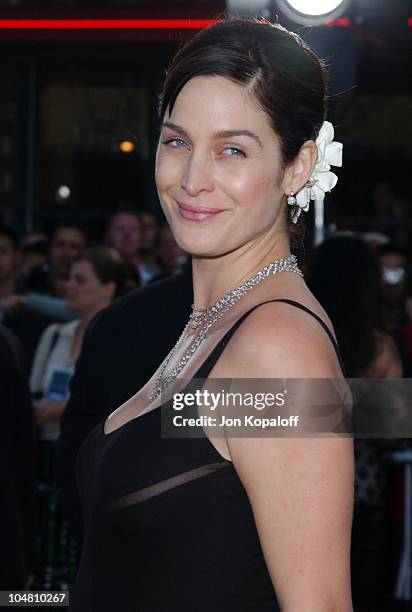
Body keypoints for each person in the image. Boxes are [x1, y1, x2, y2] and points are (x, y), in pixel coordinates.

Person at [69, 18, 353, 611]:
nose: (193, 179)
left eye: (232, 150)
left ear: (298, 167)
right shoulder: (213, 322)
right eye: (177, 142)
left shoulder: (278, 349)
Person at [306, 234, 403, 611]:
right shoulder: (377, 346)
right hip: (358, 486)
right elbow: (392, 431)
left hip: (297, 479)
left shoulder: (299, 333)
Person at [31, 246, 136, 440]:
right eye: (69, 278)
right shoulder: (54, 334)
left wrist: (66, 409)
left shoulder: (122, 341)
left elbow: (123, 404)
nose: (69, 285)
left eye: (80, 280)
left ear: (108, 288)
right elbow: (33, 391)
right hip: (47, 448)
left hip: (92, 449)